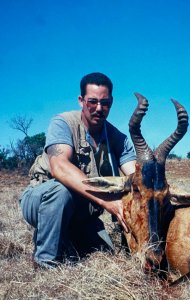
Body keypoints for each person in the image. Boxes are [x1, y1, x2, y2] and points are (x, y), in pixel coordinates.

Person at [19, 72, 136, 269]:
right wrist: (108, 201)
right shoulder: (63, 123)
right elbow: (59, 167)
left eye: (104, 103)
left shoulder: (119, 139)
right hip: (42, 201)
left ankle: (65, 236)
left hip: (83, 213)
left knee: (106, 252)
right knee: (61, 191)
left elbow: (135, 177)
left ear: (111, 102)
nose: (99, 108)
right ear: (81, 100)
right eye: (92, 101)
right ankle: (45, 262)